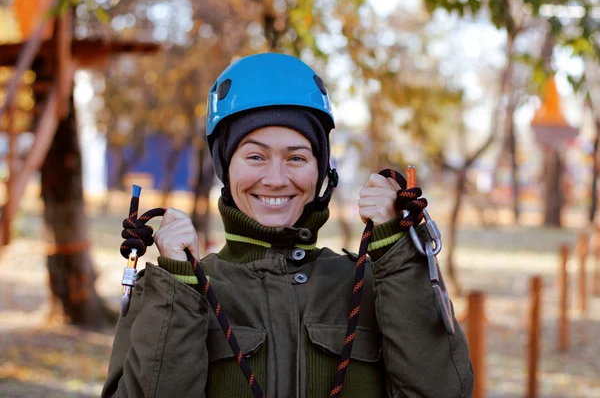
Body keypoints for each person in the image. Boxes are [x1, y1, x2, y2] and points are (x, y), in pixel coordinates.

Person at [102, 53, 474, 398]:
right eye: (255, 156)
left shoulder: (376, 285)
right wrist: (179, 288)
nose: (276, 179)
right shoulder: (176, 289)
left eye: (296, 157)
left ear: (321, 170)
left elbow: (441, 390)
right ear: (224, 168)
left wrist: (398, 247)